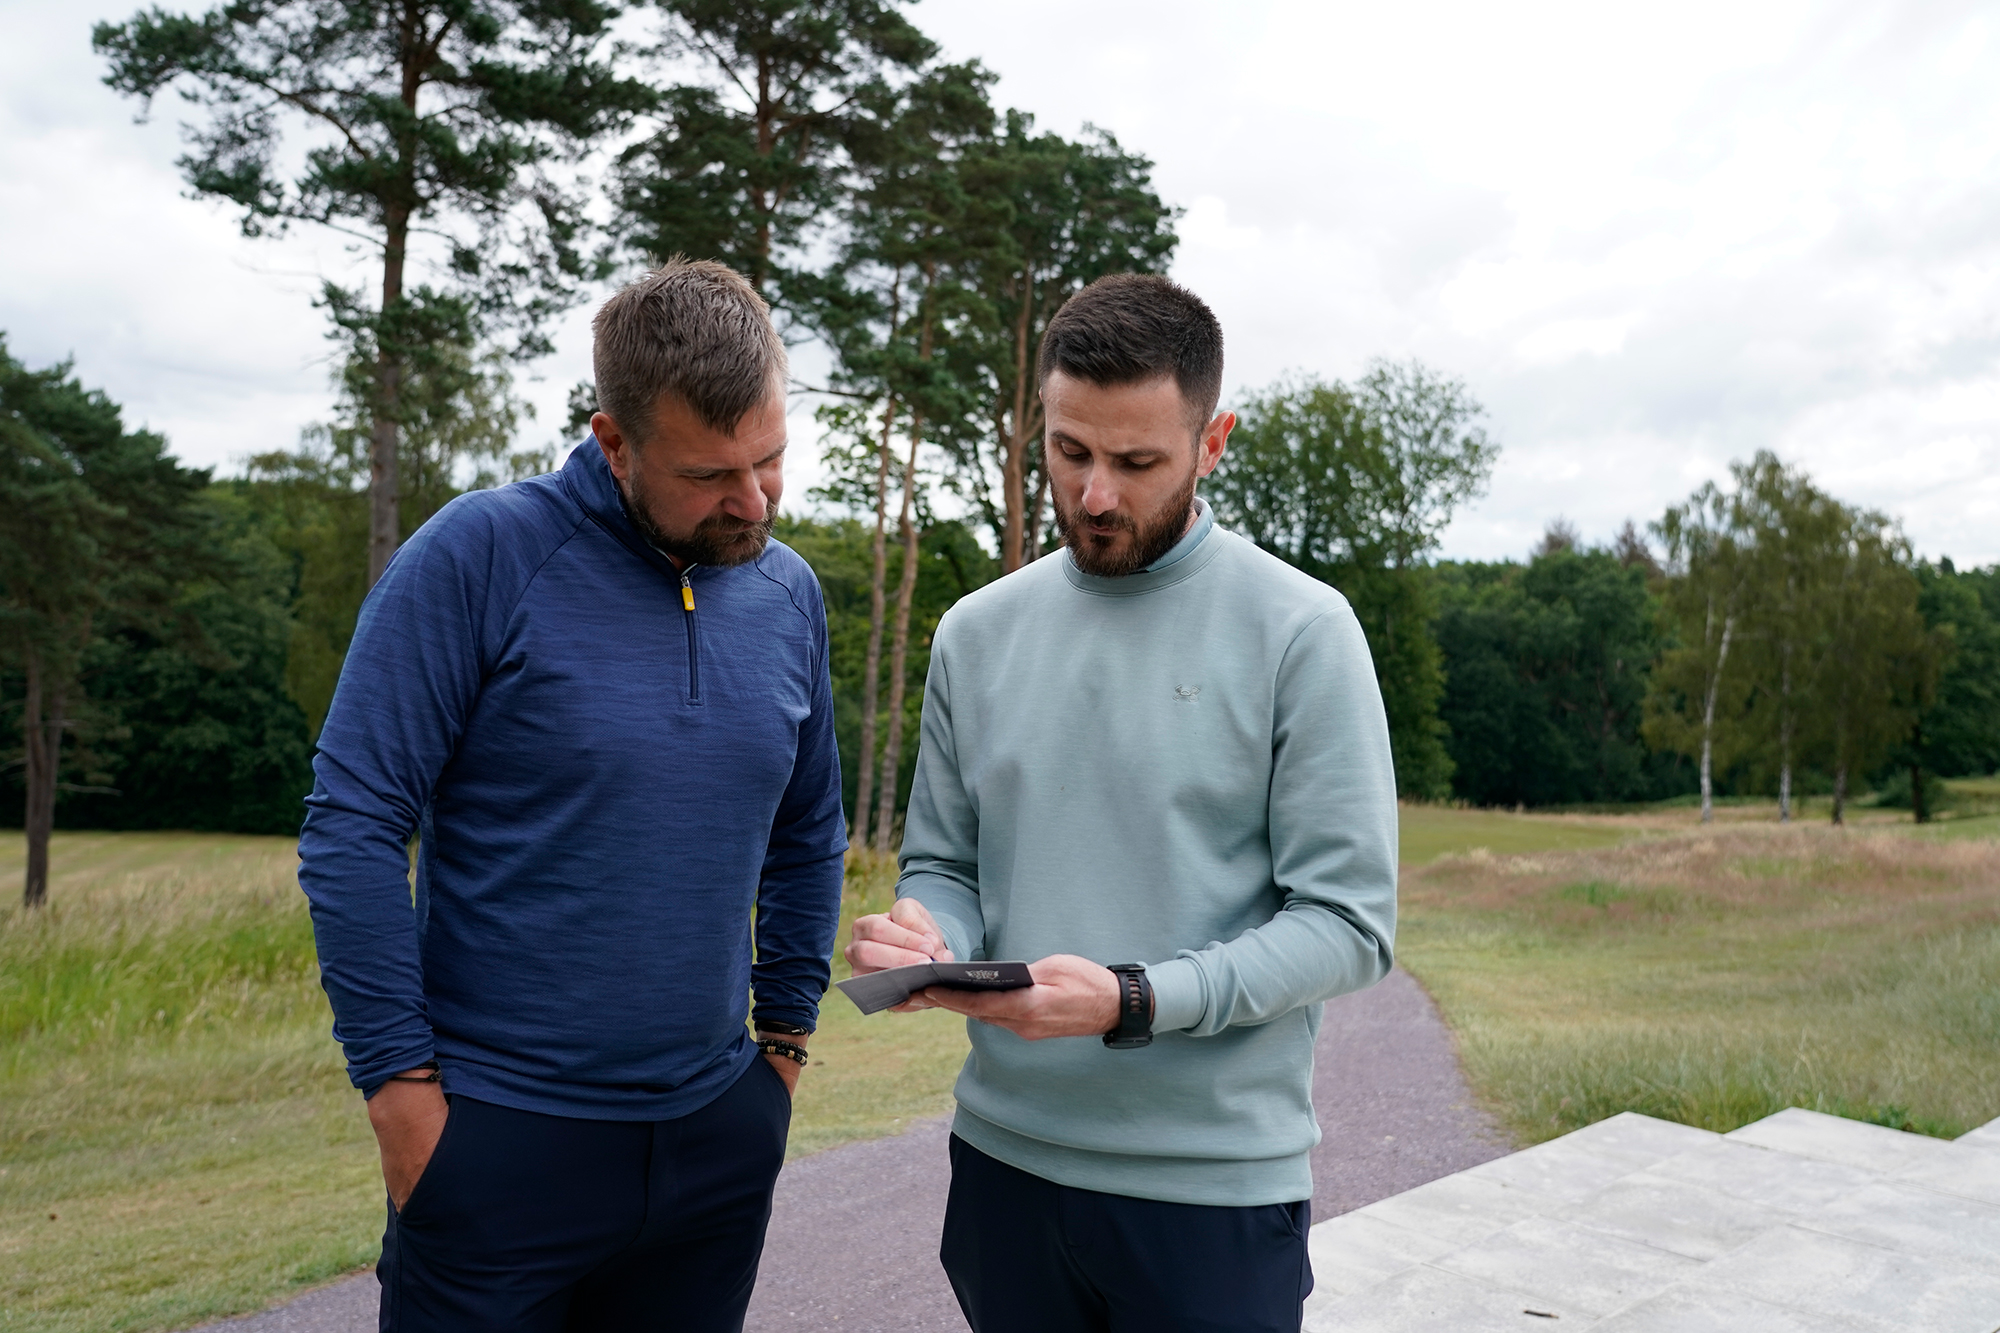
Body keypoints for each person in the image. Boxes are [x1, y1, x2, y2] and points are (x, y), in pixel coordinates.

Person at [298, 258, 846, 1332]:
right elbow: (352, 824)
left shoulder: (787, 592)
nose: (752, 500)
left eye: (770, 458)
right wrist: (402, 1095)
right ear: (612, 442)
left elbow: (807, 827)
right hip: (500, 1145)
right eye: (707, 475)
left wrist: (779, 1046)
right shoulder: (480, 556)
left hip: (712, 1141)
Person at [847, 274, 1399, 1333]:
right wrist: (930, 932)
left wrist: (1134, 997)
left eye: (1137, 462)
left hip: (1210, 1193)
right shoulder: (973, 631)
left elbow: (1348, 927)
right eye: (1068, 452)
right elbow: (945, 863)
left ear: (1214, 440)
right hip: (1003, 1169)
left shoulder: (1300, 632)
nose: (1095, 494)